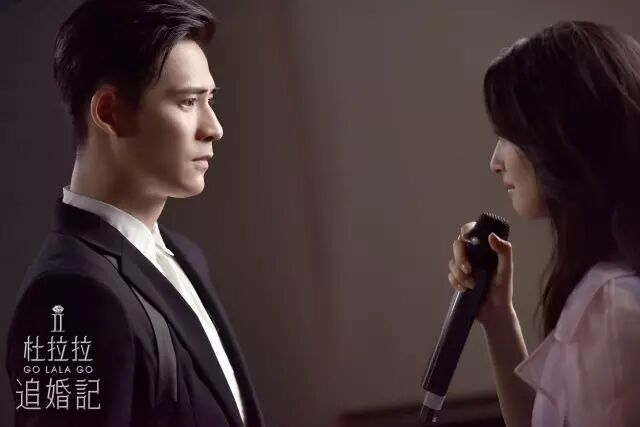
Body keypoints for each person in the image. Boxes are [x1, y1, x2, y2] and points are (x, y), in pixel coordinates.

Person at [5, 1, 264, 426]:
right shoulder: (69, 296)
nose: (214, 127)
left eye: (210, 99)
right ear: (109, 112)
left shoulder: (184, 255)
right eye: (188, 102)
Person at [448, 21, 640, 427]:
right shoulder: (606, 294)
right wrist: (498, 317)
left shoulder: (611, 311)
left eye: (507, 136)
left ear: (560, 137)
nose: (495, 162)